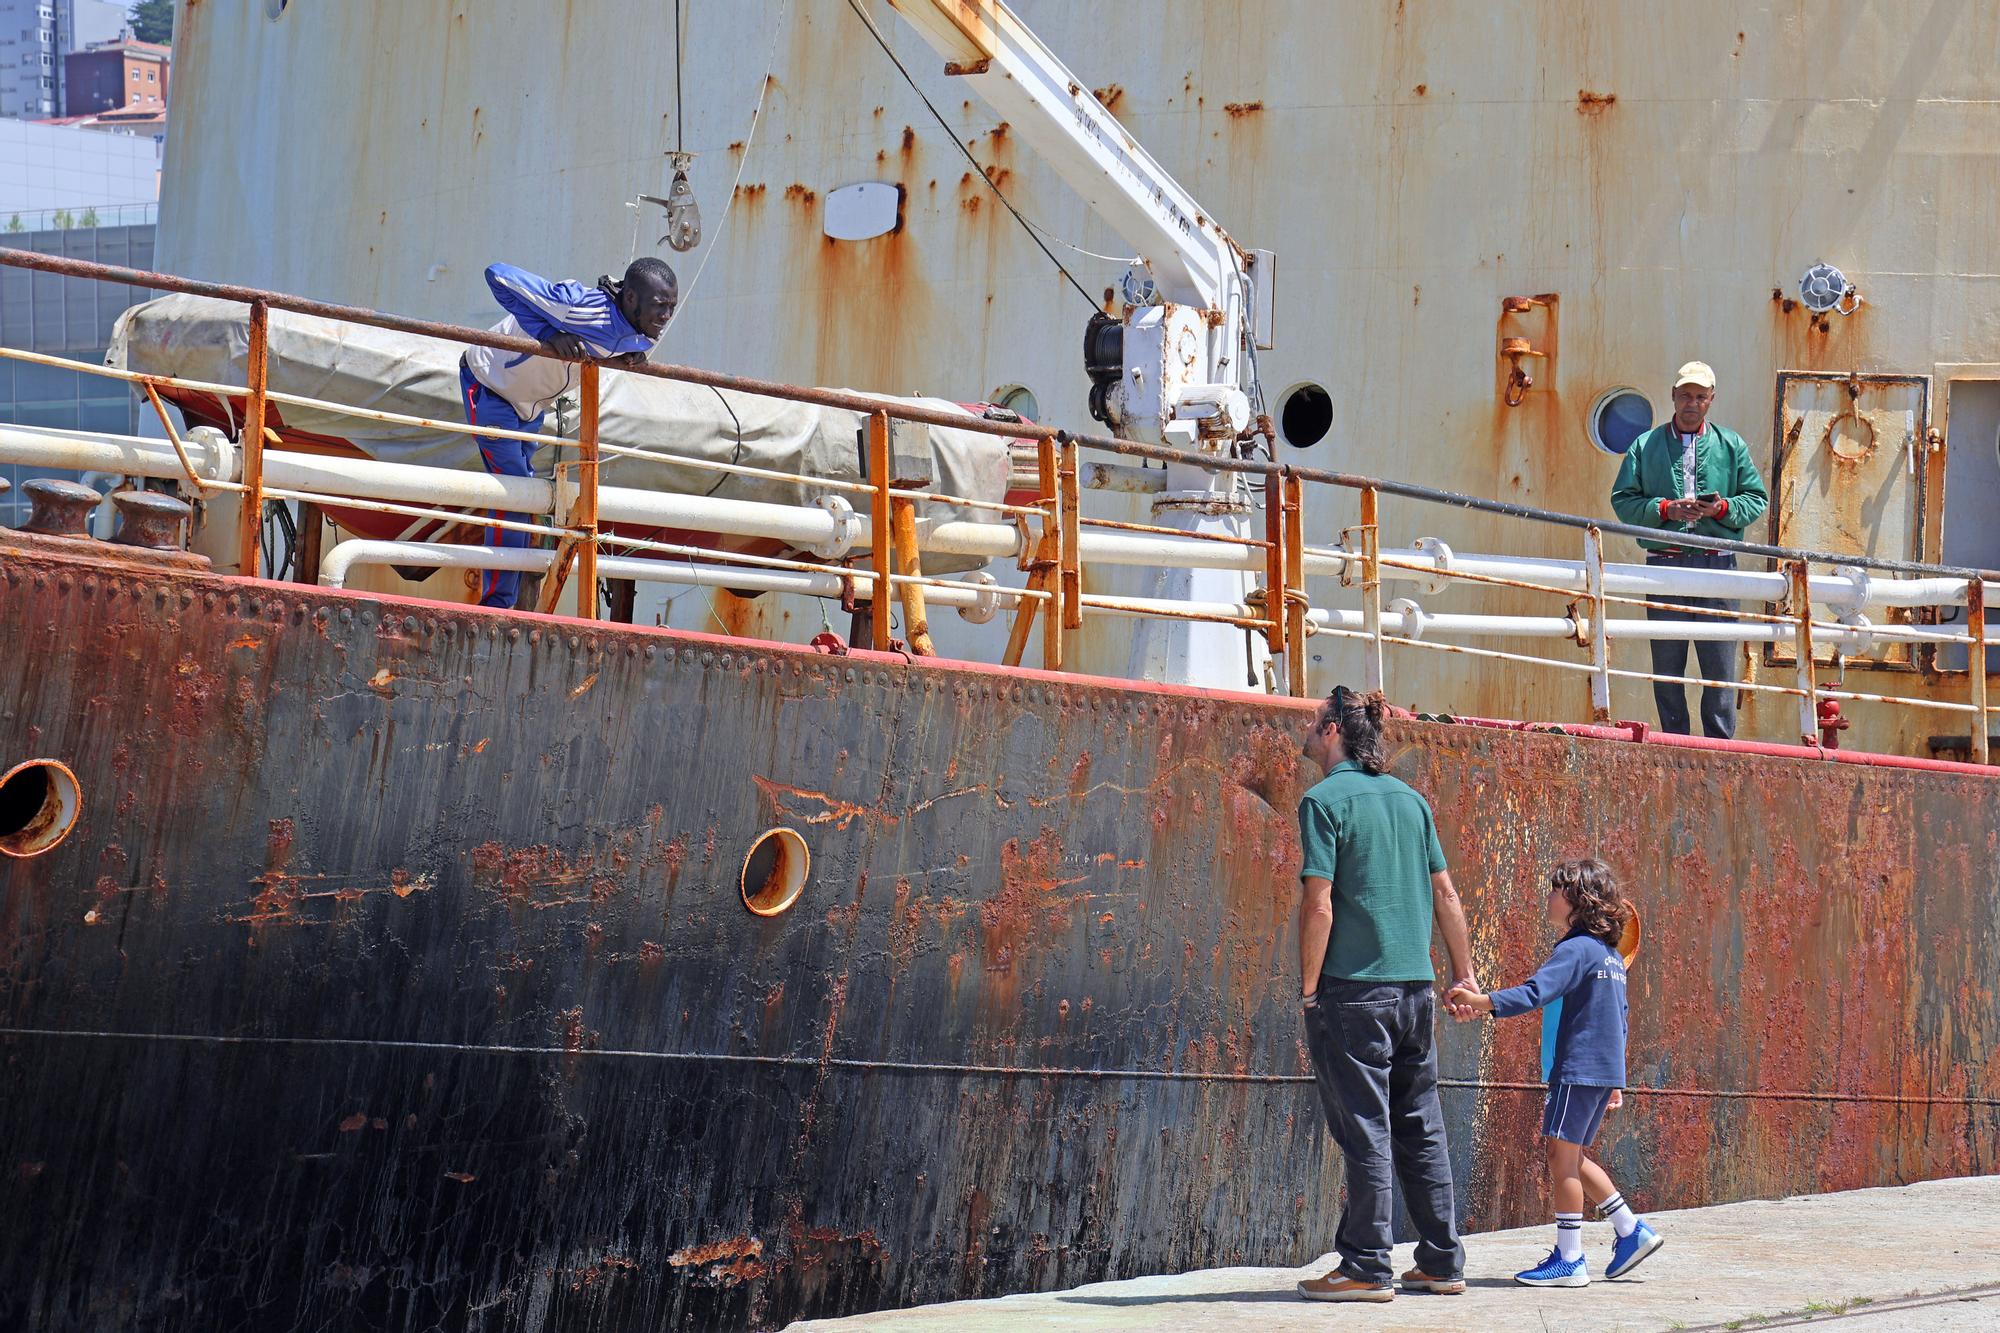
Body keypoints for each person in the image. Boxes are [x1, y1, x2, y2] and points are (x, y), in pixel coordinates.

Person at [1293, 686, 1479, 1303]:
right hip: (1415, 989)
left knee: (1365, 1127)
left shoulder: (1322, 801)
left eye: (1312, 718)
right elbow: (1447, 895)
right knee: (1420, 1124)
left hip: (1355, 991)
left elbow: (1318, 904)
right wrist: (1465, 974)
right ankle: (1441, 1261)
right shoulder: (1410, 800)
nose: (1305, 725)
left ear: (1331, 731)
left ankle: (1367, 1266)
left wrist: (1310, 987)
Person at [1447, 859, 1665, 1288]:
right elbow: (1620, 1017)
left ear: (1576, 901)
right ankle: (1630, 1229)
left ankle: (1570, 1260)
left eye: (1555, 890)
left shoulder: (1574, 948)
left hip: (1577, 1070)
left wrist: (1481, 1000)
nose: (1548, 896)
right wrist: (1615, 1079)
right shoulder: (1610, 956)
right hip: (1602, 1072)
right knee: (1576, 1156)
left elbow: (1535, 992)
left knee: (1560, 1159)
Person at [461, 258, 678, 608]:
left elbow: (615, 340)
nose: (667, 315)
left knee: (525, 499)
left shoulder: (642, 327)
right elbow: (498, 275)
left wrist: (633, 354)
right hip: (490, 387)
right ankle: (496, 608)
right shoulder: (579, 307)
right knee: (515, 496)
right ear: (633, 300)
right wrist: (548, 335)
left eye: (671, 306)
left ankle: (509, 600)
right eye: (659, 306)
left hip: (530, 407)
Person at [1609, 360, 1769, 738]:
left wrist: (1721, 508)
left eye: (1699, 396)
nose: (1691, 403)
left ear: (1711, 400)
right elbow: (1623, 500)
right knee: (1667, 668)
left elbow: (1756, 498)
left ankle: (1719, 749)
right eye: (1685, 395)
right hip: (1665, 566)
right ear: (1673, 397)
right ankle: (1673, 743)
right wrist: (1665, 509)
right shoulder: (1644, 446)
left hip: (1718, 567)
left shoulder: (1731, 445)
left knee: (1719, 671)